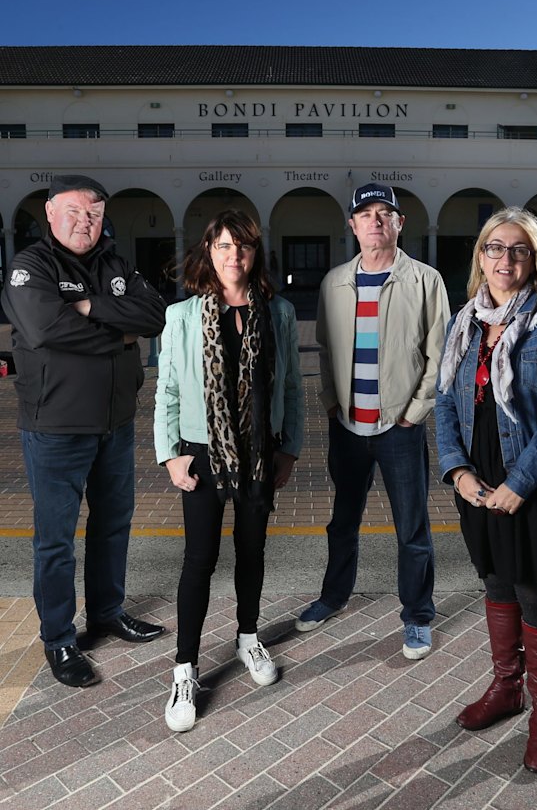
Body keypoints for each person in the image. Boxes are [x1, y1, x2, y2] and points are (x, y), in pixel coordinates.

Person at [1, 174, 167, 689]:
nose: (84, 221)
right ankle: (58, 638)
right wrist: (121, 336)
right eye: (73, 211)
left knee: (113, 524)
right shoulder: (31, 267)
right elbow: (46, 329)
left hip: (115, 424)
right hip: (57, 427)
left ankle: (106, 613)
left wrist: (92, 306)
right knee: (56, 540)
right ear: (50, 212)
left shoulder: (116, 264)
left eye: (93, 213)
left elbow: (156, 315)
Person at [435, 207, 537, 776]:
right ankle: (506, 688)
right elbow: (444, 401)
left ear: (535, 259)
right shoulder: (464, 322)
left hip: (536, 478)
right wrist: (458, 472)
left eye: (520, 249)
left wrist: (520, 484)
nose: (506, 259)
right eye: (495, 247)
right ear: (481, 256)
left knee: (533, 594)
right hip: (478, 477)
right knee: (496, 581)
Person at [154, 209, 303, 733]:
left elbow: (291, 386)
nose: (233, 255)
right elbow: (167, 390)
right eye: (223, 245)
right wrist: (170, 454)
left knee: (252, 551)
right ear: (208, 252)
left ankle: (247, 637)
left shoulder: (278, 312)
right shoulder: (183, 315)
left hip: (260, 451)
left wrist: (290, 448)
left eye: (242, 246)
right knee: (199, 560)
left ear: (255, 252)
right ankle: (185, 669)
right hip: (201, 452)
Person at [295, 183, 450, 660]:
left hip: (398, 429)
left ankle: (418, 615)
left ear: (400, 223)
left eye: (386, 213)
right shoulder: (334, 283)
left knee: (412, 529)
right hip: (347, 428)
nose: (376, 221)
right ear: (353, 225)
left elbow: (439, 355)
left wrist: (413, 413)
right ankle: (333, 596)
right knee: (342, 522)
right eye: (366, 214)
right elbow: (325, 350)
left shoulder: (425, 281)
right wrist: (330, 403)